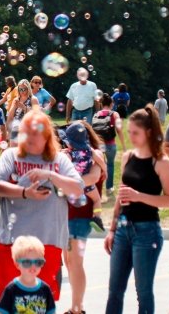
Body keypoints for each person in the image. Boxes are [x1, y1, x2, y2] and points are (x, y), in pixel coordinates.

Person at [0, 110, 84, 311]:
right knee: (2, 297)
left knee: (40, 301)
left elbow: (77, 187)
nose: (29, 138)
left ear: (47, 136)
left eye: (35, 133)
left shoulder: (59, 160)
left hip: (47, 243)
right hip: (11, 242)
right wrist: (24, 192)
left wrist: (50, 175)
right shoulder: (11, 156)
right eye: (25, 132)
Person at [104, 105, 169, 314]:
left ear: (149, 133)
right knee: (115, 290)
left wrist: (140, 197)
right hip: (123, 230)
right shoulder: (127, 156)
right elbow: (121, 194)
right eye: (129, 132)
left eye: (135, 132)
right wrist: (112, 229)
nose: (131, 136)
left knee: (143, 291)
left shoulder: (161, 162)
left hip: (147, 231)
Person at [63, 121, 107, 314]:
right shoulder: (71, 155)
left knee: (76, 261)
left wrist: (66, 180)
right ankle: (75, 304)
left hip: (80, 215)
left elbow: (92, 178)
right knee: (69, 261)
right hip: (66, 214)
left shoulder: (95, 156)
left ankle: (78, 308)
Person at [60, 121, 107, 232]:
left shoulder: (69, 154)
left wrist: (61, 153)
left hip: (72, 185)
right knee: (97, 200)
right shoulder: (91, 151)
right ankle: (97, 218)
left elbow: (64, 164)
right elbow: (100, 161)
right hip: (88, 186)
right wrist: (105, 170)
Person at [0, 236, 57, 314]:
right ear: (17, 264)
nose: (33, 266)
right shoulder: (11, 289)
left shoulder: (45, 289)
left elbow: (51, 311)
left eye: (38, 262)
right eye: (27, 262)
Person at [91, 95, 127, 198]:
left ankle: (97, 188)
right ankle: (109, 188)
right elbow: (119, 129)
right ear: (112, 104)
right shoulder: (114, 114)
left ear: (102, 104)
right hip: (110, 144)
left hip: (99, 145)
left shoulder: (96, 114)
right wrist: (124, 145)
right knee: (110, 165)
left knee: (99, 166)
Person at [6, 80, 39, 147]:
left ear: (28, 89)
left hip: (28, 129)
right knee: (14, 151)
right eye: (20, 89)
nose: (22, 91)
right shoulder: (16, 99)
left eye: (24, 89)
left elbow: (37, 115)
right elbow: (10, 117)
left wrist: (24, 107)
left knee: (26, 152)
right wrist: (8, 131)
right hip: (16, 128)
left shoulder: (33, 99)